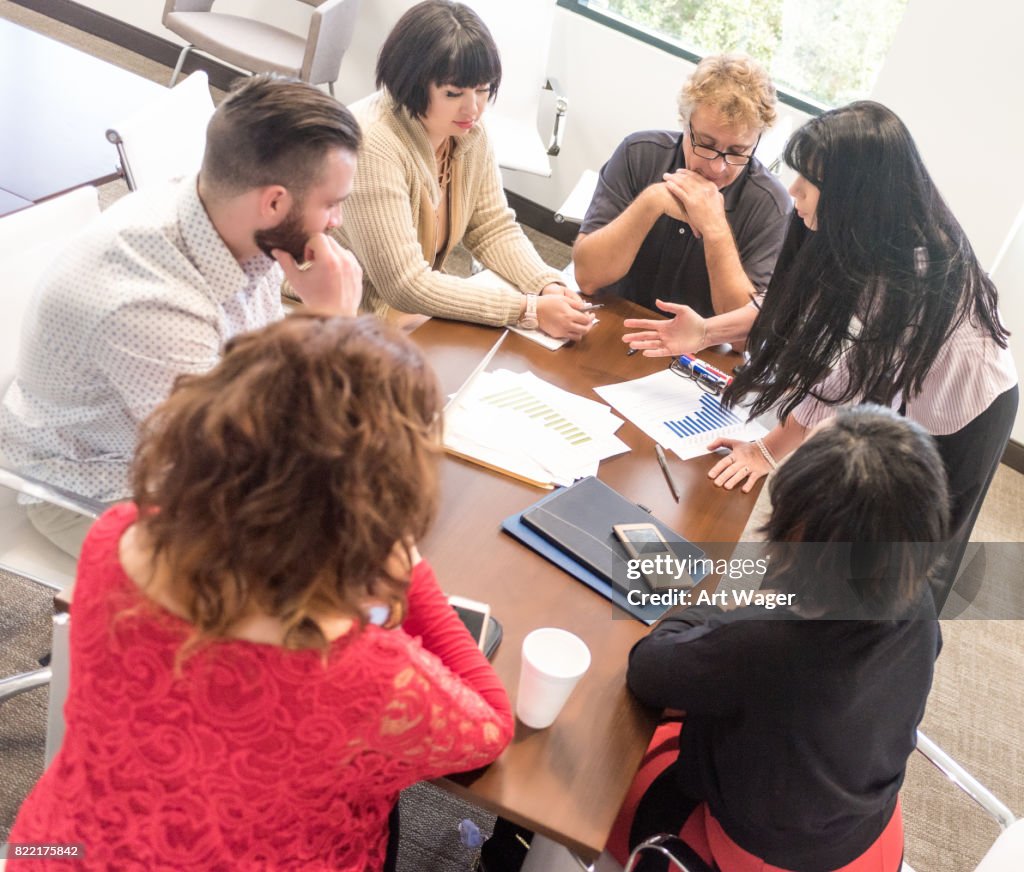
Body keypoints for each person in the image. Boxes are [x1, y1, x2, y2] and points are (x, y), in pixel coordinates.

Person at [7, 314, 514, 871]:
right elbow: (490, 727)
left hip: (53, 847)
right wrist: (411, 572)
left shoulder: (118, 535)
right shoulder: (365, 672)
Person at [622, 101, 1018, 609]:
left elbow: (843, 379)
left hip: (967, 408)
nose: (794, 190)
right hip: (904, 382)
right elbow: (793, 304)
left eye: (809, 180)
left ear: (856, 192)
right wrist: (704, 332)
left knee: (916, 558)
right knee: (845, 548)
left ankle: (892, 654)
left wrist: (768, 449)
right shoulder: (852, 232)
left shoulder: (914, 272)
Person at [0, 74, 364, 557]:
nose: (336, 222)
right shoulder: (150, 304)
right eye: (332, 205)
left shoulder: (229, 220)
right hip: (99, 494)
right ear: (274, 201)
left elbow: (252, 376)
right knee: (297, 574)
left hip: (180, 449)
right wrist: (331, 329)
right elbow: (231, 463)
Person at [612, 406, 946, 872]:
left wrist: (691, 599)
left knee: (591, 766)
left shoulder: (767, 645)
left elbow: (647, 670)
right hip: (865, 835)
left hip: (756, 851)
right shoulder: (918, 601)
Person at [335, 0, 594, 339]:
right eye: (453, 92)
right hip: (342, 305)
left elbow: (491, 226)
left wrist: (545, 284)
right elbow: (404, 284)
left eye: (483, 89)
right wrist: (526, 309)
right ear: (410, 82)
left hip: (404, 309)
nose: (473, 108)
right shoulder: (373, 143)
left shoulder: (467, 130)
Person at [572, 53, 791, 316]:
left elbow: (740, 338)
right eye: (706, 144)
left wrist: (716, 229)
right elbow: (587, 277)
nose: (717, 167)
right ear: (685, 124)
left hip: (698, 348)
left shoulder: (771, 205)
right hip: (613, 318)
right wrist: (651, 202)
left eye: (737, 151)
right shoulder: (639, 153)